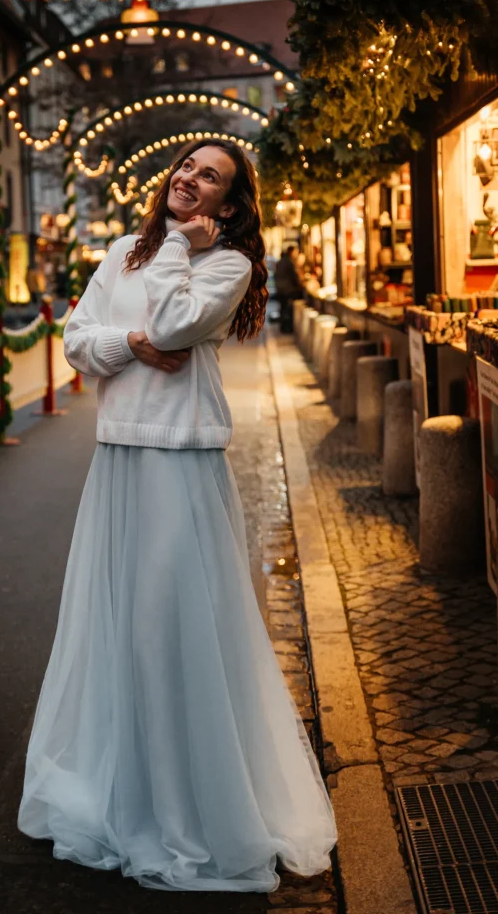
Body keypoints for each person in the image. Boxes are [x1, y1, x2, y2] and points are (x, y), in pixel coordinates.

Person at [18, 142, 338, 892]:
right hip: (117, 461)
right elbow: (77, 342)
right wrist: (124, 343)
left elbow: (173, 327)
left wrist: (171, 272)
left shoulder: (227, 265)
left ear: (227, 206)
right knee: (116, 624)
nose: (187, 181)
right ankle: (121, 787)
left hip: (180, 461)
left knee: (170, 626)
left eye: (209, 178)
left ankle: (189, 804)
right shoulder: (124, 251)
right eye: (185, 169)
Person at [274, 245, 303, 333]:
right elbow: (294, 277)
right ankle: (288, 327)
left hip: (280, 289)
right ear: (291, 252)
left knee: (283, 308)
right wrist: (299, 285)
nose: (296, 254)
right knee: (288, 308)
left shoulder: (279, 262)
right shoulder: (289, 262)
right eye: (295, 252)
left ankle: (283, 327)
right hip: (288, 290)